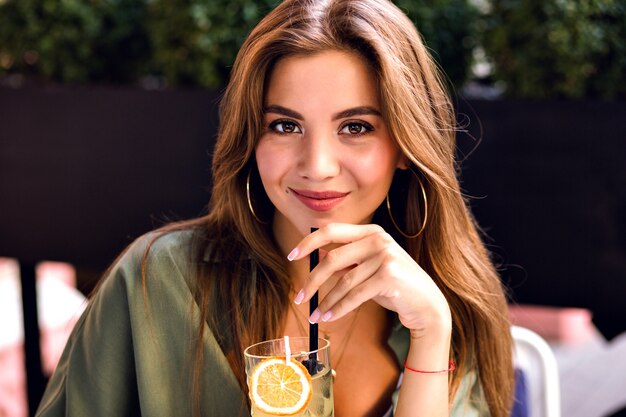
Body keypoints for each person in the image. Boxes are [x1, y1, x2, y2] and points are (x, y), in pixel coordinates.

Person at [35, 0, 514, 416]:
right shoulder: (156, 280)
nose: (318, 166)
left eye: (356, 127)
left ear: (406, 145)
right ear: (250, 138)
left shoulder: (450, 305)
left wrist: (431, 333)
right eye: (285, 126)